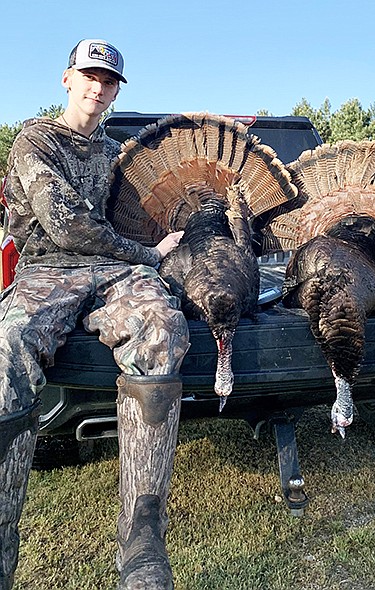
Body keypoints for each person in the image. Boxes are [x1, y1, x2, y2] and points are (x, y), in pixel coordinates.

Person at [0, 39, 189, 589]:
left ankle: (143, 549)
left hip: (114, 273)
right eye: (89, 76)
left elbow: (137, 219)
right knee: (7, 348)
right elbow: (67, 228)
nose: (98, 88)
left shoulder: (118, 156)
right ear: (66, 79)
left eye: (108, 81)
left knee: (161, 328)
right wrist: (150, 255)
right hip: (49, 269)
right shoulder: (35, 140)